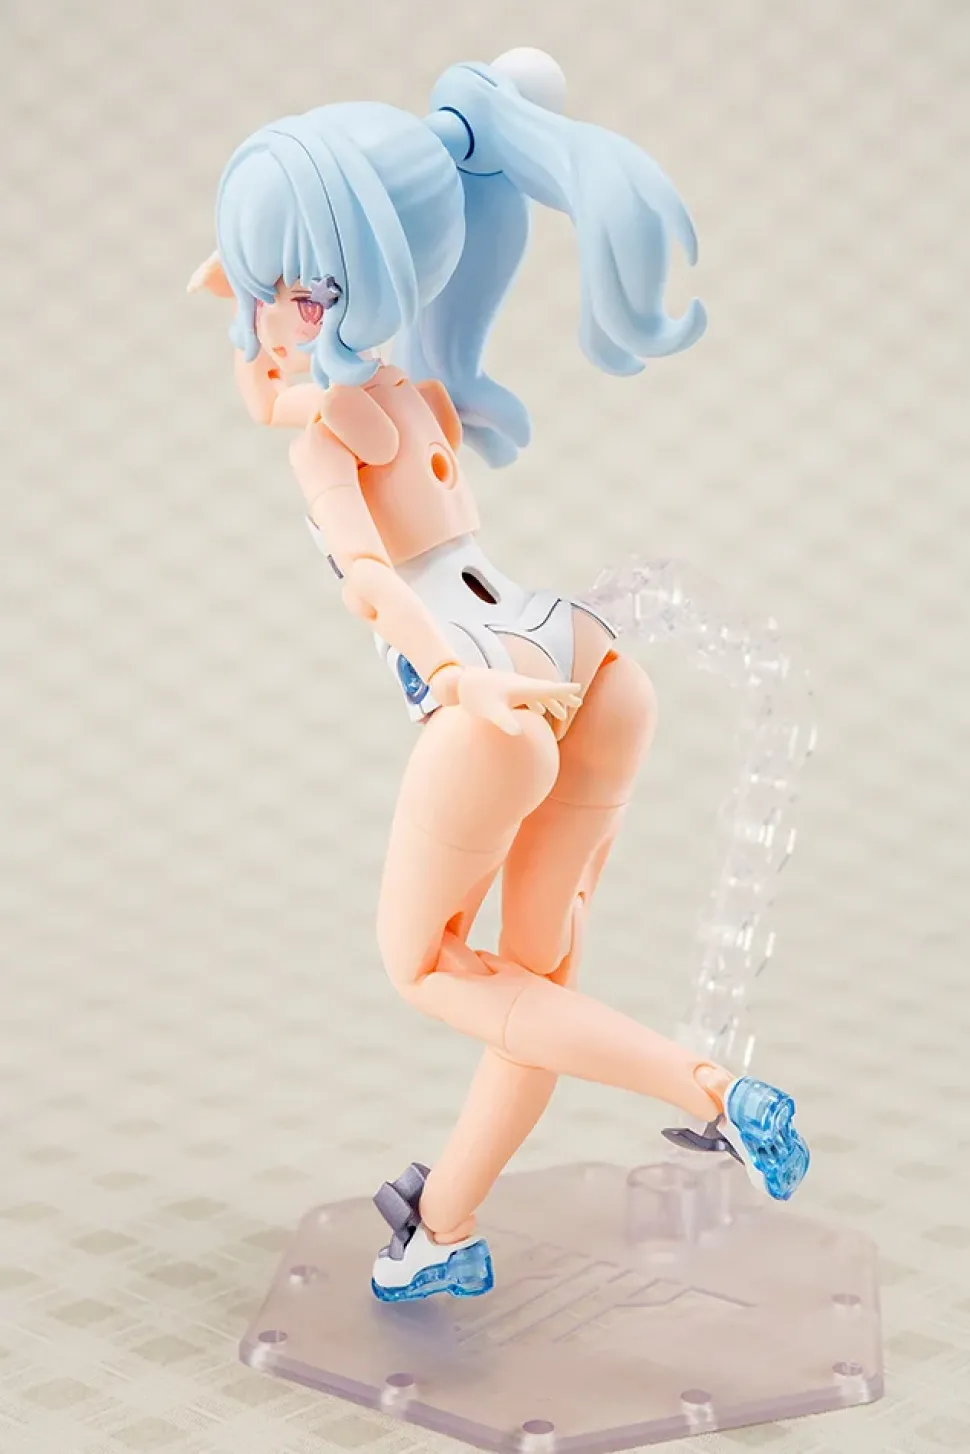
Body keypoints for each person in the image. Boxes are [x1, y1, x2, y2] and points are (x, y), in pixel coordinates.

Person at [190, 48, 809, 1305]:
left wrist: (452, 684)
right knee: (528, 991)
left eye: (293, 286)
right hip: (583, 657)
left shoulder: (333, 428)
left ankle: (709, 1088)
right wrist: (251, 296)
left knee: (427, 965)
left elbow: (371, 579)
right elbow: (278, 386)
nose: (271, 311)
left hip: (485, 690)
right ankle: (444, 1227)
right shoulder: (423, 389)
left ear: (344, 286)